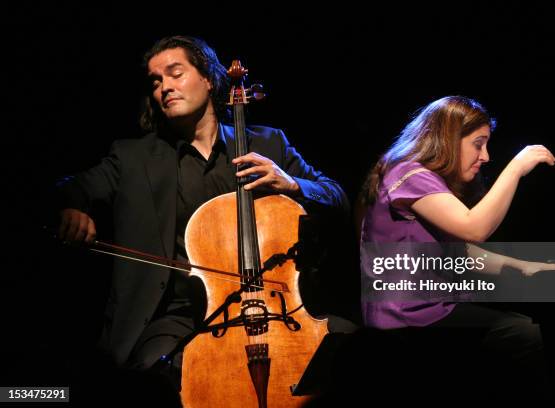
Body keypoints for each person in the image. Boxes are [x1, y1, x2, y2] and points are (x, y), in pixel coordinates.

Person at [55, 35, 348, 389]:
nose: (164, 87)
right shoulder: (132, 158)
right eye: (156, 81)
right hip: (180, 314)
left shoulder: (269, 143)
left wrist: (293, 184)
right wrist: (72, 207)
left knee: (354, 351)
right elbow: (70, 187)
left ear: (209, 79)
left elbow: (337, 198)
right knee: (158, 376)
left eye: (175, 74)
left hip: (278, 309)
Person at [357, 96, 555, 401]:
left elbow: (456, 250)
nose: (486, 156)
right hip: (407, 321)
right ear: (448, 139)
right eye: (478, 144)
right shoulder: (409, 175)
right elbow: (473, 228)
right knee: (522, 334)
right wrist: (516, 167)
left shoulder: (418, 178)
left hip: (428, 313)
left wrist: (522, 266)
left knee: (521, 325)